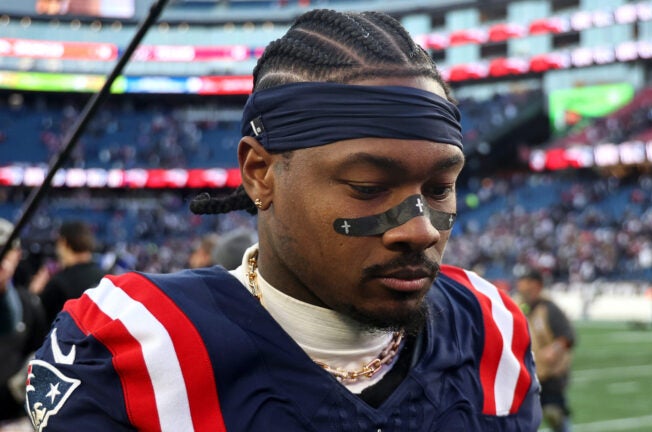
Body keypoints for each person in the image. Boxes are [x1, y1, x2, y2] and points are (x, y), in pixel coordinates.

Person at [25, 9, 541, 431]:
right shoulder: (141, 348)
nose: (421, 228)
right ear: (259, 173)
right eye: (367, 188)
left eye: (440, 189)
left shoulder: (487, 328)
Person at [515, 269, 575, 432]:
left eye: (525, 282)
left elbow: (567, 336)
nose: (520, 286)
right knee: (521, 416)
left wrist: (553, 350)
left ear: (536, 285)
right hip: (525, 372)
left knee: (553, 413)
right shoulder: (517, 305)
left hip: (550, 372)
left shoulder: (549, 308)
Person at [0, 218, 47, 424]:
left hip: (12, 417)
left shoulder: (28, 303)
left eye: (4, 250)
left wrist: (16, 390)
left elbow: (40, 354)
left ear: (17, 255)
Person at [36, 220, 105, 327]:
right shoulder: (106, 278)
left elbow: (41, 326)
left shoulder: (58, 283)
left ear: (63, 243)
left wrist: (33, 295)